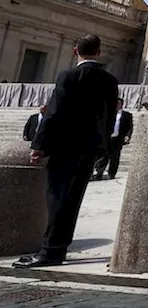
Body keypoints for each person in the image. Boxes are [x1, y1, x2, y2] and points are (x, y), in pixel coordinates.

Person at [14, 34, 118, 268]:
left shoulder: (68, 76)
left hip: (64, 147)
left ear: (75, 51)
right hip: (90, 148)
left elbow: (54, 112)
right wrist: (102, 146)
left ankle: (49, 251)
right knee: (73, 198)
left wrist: (38, 145)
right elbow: (109, 117)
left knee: (56, 198)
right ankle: (58, 248)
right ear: (98, 52)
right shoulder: (109, 80)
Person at [93, 98, 133, 180]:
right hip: (108, 138)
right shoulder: (110, 114)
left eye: (119, 103)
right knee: (104, 156)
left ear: (122, 104)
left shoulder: (127, 115)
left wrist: (127, 136)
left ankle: (112, 173)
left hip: (118, 139)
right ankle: (99, 173)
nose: (117, 105)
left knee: (115, 157)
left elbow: (130, 127)